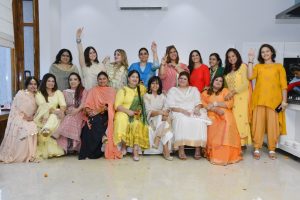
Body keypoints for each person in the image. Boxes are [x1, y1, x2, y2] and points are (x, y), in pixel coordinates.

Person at [248, 44, 288, 160]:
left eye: (267, 51)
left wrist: (284, 101)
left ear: (272, 53)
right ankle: (256, 147)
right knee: (257, 125)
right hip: (259, 100)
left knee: (273, 127)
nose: (265, 54)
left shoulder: (279, 66)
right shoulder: (258, 66)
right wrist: (250, 60)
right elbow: (250, 76)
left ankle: (271, 148)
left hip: (274, 102)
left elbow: (283, 85)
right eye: (262, 52)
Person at [166, 71, 211, 160]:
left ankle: (197, 149)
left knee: (199, 121)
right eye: (180, 78)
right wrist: (182, 111)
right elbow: (171, 106)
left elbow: (198, 103)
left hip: (193, 110)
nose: (182, 80)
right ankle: (181, 149)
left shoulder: (194, 89)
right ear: (178, 80)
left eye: (184, 79)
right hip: (178, 111)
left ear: (188, 81)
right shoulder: (173, 90)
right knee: (182, 120)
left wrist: (197, 109)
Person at [79, 72, 122, 160]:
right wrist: (89, 111)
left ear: (107, 80)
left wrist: (99, 110)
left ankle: (95, 152)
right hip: (93, 113)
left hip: (106, 114)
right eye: (100, 79)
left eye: (104, 78)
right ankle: (87, 152)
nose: (102, 80)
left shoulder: (111, 90)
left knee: (97, 121)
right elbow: (87, 104)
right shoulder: (93, 90)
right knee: (89, 125)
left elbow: (111, 106)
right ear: (97, 80)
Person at [202, 75, 242, 165]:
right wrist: (214, 109)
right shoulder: (206, 92)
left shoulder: (225, 91)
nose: (218, 82)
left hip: (224, 113)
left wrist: (215, 103)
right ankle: (215, 154)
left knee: (227, 120)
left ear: (222, 84)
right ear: (213, 81)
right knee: (213, 121)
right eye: (216, 80)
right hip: (211, 113)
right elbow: (203, 104)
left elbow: (230, 103)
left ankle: (226, 155)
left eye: (220, 81)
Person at [0, 77, 39, 163]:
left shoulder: (37, 96)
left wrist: (32, 118)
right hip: (20, 117)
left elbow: (38, 110)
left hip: (31, 118)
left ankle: (31, 154)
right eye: (30, 84)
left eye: (35, 84)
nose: (33, 86)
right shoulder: (21, 93)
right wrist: (24, 117)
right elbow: (17, 108)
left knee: (33, 127)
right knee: (26, 129)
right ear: (27, 85)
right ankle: (20, 155)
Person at [113, 70, 149, 161]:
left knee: (136, 123)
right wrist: (128, 112)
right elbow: (117, 106)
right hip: (124, 111)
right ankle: (124, 146)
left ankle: (135, 151)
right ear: (128, 78)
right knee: (122, 119)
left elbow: (150, 93)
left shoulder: (141, 89)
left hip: (137, 113)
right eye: (133, 76)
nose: (135, 79)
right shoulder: (123, 90)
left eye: (137, 77)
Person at [52, 72, 87, 154]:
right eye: (71, 79)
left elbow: (83, 103)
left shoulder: (83, 91)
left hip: (80, 111)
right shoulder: (65, 92)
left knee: (70, 117)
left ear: (79, 81)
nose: (73, 81)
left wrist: (76, 110)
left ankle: (58, 133)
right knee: (69, 117)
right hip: (69, 112)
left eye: (75, 79)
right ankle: (69, 148)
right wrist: (66, 110)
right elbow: (63, 104)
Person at [223, 48, 252, 148]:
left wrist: (232, 93)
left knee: (240, 119)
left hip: (242, 97)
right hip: (231, 98)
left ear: (237, 56)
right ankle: (234, 142)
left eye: (233, 56)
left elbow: (246, 83)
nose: (231, 58)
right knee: (233, 120)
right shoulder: (227, 70)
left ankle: (241, 144)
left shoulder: (243, 66)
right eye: (229, 57)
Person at [34, 73, 66, 159]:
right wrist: (55, 111)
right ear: (44, 81)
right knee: (54, 114)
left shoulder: (58, 92)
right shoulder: (39, 93)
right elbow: (43, 105)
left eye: (53, 81)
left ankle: (46, 130)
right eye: (49, 81)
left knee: (56, 114)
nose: (51, 83)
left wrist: (61, 111)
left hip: (56, 116)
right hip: (43, 116)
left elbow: (63, 105)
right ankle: (47, 129)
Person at [143, 76, 173, 161]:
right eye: (153, 83)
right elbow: (148, 112)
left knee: (166, 118)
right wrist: (160, 112)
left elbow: (167, 108)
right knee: (164, 119)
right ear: (149, 85)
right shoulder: (146, 96)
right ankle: (166, 150)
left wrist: (163, 112)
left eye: (157, 83)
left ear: (160, 85)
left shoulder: (163, 96)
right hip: (152, 118)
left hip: (162, 118)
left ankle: (158, 137)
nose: (155, 85)